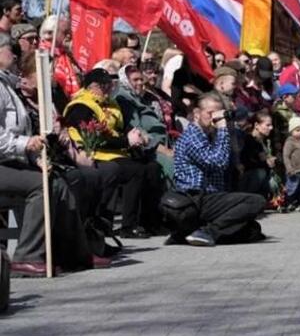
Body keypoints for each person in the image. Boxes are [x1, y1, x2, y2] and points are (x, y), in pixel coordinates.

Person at [0, 34, 96, 275]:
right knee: (41, 186)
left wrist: (36, 158)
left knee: (58, 182)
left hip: (12, 160)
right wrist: (25, 144)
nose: (14, 53)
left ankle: (75, 255)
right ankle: (26, 255)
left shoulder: (7, 86)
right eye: (8, 49)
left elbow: (20, 131)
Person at [63, 68, 162, 237]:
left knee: (152, 167)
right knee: (134, 171)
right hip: (96, 154)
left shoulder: (110, 104)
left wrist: (137, 134)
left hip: (116, 151)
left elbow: (120, 128)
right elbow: (95, 137)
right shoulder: (80, 106)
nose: (109, 89)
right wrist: (126, 142)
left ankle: (149, 222)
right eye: (105, 86)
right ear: (93, 86)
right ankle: (127, 226)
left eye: (110, 85)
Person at [163, 92, 265, 246]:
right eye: (210, 113)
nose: (214, 118)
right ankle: (207, 232)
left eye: (218, 114)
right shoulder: (192, 136)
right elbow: (218, 162)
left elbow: (231, 153)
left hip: (211, 198)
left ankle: (186, 234)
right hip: (195, 198)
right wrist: (223, 128)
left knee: (252, 230)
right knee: (256, 201)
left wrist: (227, 126)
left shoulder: (211, 135)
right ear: (197, 113)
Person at [239, 109, 276, 199]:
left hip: (262, 174)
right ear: (256, 125)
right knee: (260, 173)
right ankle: (247, 198)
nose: (271, 128)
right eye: (267, 125)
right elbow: (247, 163)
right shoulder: (248, 140)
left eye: (271, 125)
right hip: (247, 178)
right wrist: (266, 163)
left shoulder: (266, 141)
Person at [282, 116, 300, 212]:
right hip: (294, 170)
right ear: (291, 131)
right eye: (297, 130)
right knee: (292, 188)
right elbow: (286, 156)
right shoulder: (290, 142)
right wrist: (289, 168)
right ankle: (288, 203)